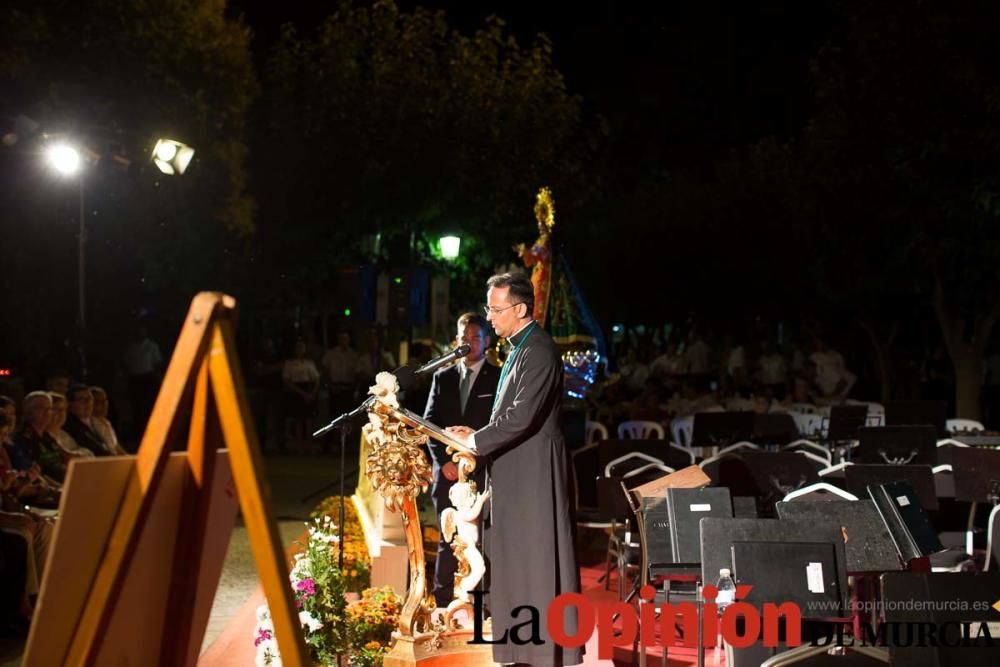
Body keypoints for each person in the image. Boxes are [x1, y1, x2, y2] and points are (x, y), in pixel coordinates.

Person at [446, 272, 583, 667]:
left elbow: (522, 417)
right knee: (516, 560)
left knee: (535, 560)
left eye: (495, 308)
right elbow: (509, 415)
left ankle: (541, 652)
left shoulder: (538, 350)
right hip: (517, 468)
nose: (489, 316)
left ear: (520, 309)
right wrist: (475, 433)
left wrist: (474, 442)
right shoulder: (518, 348)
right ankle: (521, 651)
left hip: (534, 473)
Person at [423, 313, 499, 608]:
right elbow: (430, 422)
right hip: (447, 473)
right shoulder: (442, 377)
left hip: (481, 473)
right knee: (446, 538)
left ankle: (483, 604)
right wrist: (443, 460)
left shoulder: (498, 377)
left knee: (482, 540)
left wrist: (475, 461)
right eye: (463, 337)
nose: (468, 343)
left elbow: (499, 424)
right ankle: (441, 602)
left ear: (487, 341)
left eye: (475, 337)